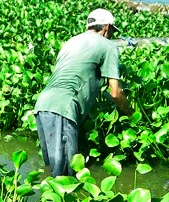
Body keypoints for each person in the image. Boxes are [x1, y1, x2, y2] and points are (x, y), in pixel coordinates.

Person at [33, 8, 134, 177]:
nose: (111, 36)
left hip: (42, 105)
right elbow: (115, 93)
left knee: (53, 168)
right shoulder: (108, 46)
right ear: (106, 27)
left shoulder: (71, 41)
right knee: (65, 177)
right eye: (111, 32)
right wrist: (131, 114)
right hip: (64, 108)